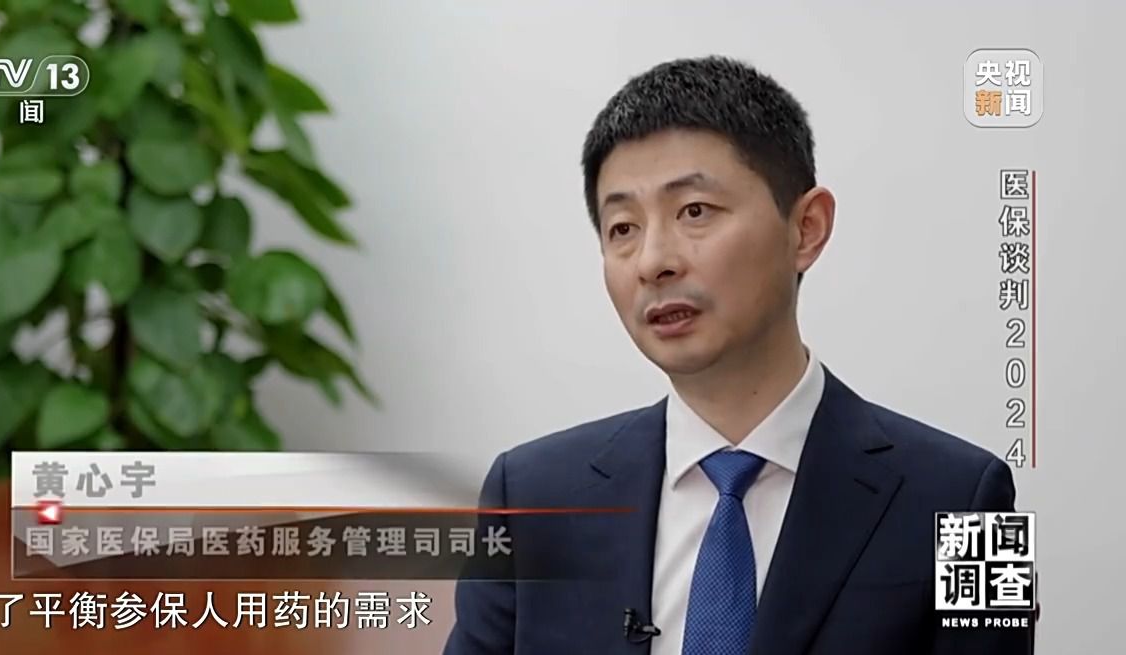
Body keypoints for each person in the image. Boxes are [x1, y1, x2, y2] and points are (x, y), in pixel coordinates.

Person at [443, 56, 1034, 655]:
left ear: (806, 228)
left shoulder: (970, 503)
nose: (653, 261)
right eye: (622, 228)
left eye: (694, 212)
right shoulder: (528, 497)